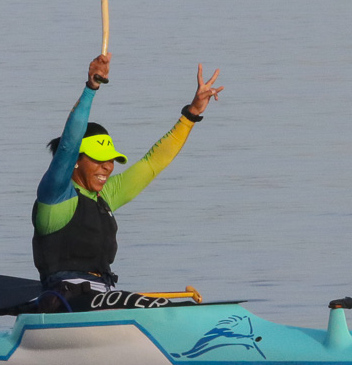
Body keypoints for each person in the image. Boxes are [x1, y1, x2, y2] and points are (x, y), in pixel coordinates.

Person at [32, 53, 223, 312]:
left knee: (185, 306)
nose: (107, 167)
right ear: (76, 160)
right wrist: (91, 87)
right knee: (149, 306)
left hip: (103, 296)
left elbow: (152, 164)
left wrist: (191, 114)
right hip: (62, 302)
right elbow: (68, 144)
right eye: (99, 159)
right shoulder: (55, 195)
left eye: (111, 160)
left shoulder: (105, 196)